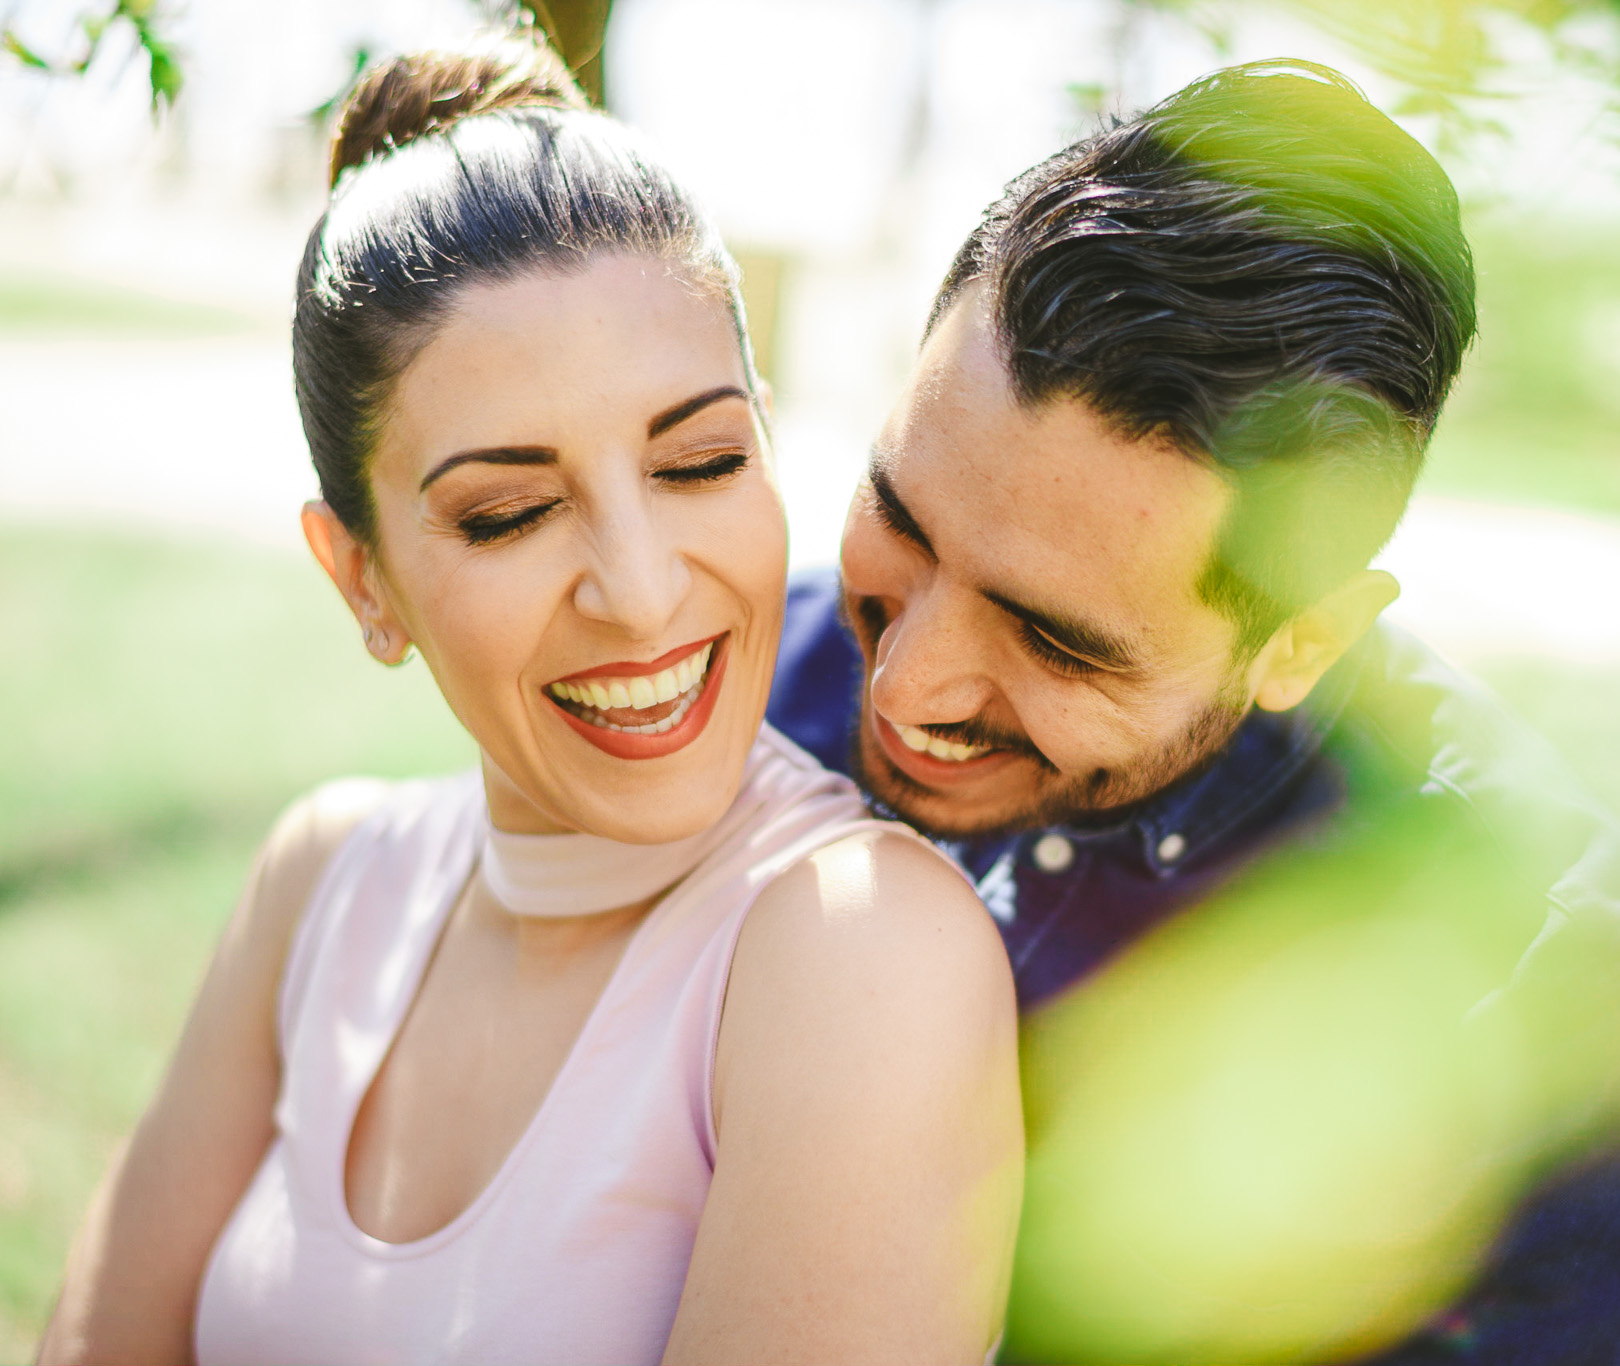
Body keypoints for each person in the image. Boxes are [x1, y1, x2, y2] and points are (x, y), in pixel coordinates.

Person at [38, 42, 1022, 1366]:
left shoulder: (858, 948)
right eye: (508, 511)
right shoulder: (324, 879)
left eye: (699, 460)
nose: (640, 589)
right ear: (364, 579)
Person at [767, 60, 1620, 1364]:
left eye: (1054, 641)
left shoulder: (1545, 991)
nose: (903, 683)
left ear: (1303, 641)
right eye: (903, 523)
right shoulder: (745, 687)